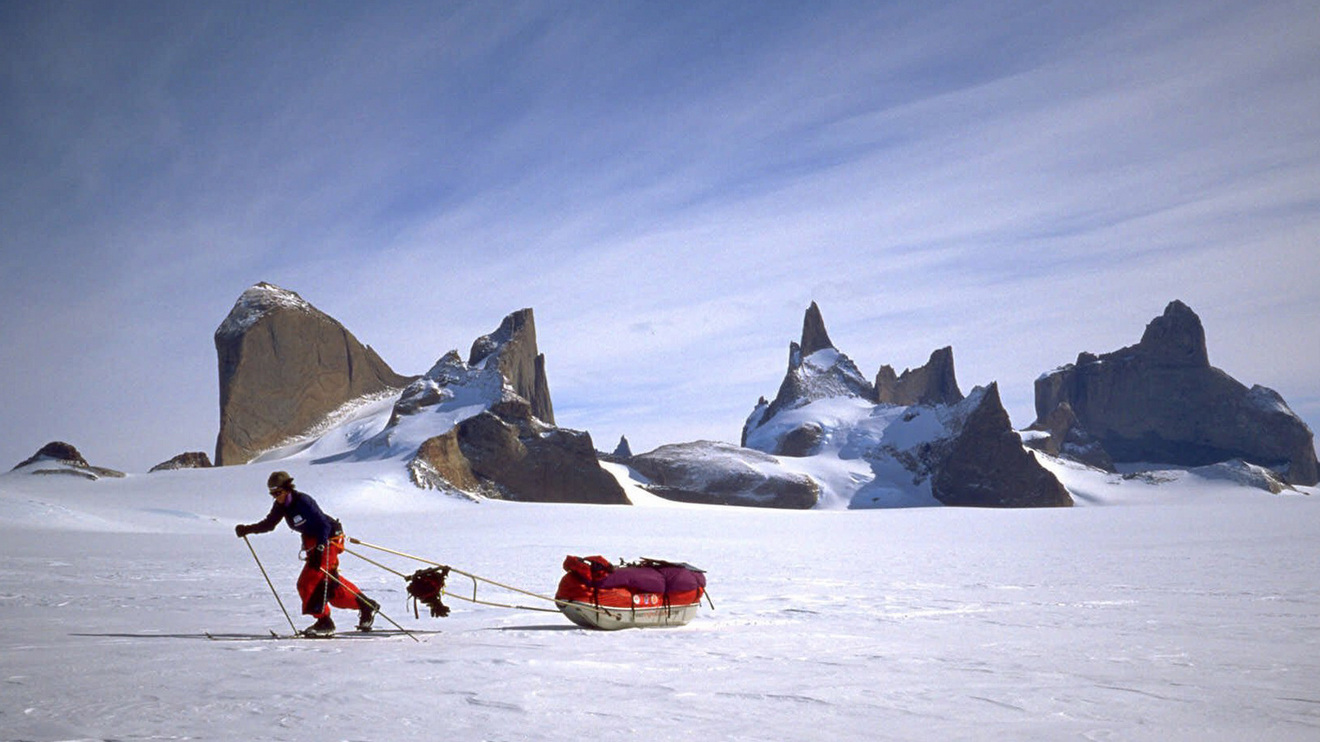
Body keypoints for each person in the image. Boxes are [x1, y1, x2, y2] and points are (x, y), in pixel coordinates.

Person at [235, 471, 379, 636]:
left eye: (278, 492)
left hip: (327, 539)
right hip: (315, 542)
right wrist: (248, 529)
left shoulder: (303, 501)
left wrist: (319, 549)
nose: (276, 497)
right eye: (272, 494)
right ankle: (366, 605)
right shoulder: (281, 506)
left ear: (287, 488)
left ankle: (324, 622)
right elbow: (269, 524)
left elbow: (323, 525)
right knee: (330, 585)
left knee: (307, 583)